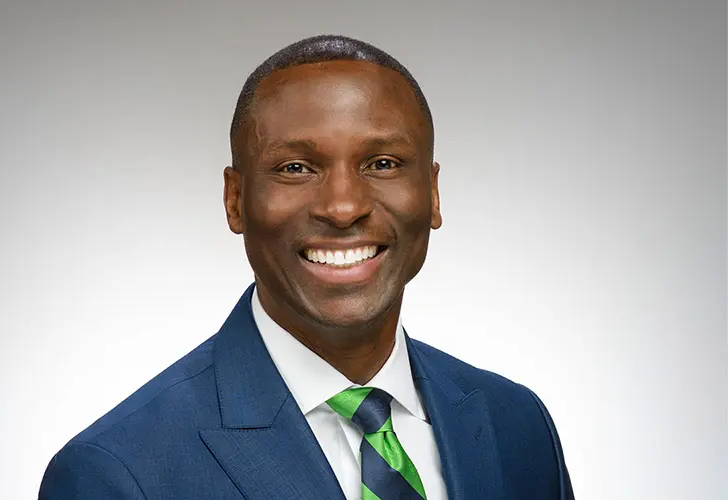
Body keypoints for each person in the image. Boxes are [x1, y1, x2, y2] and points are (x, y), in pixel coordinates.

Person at [39, 34, 575, 500]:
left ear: (432, 193)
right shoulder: (117, 473)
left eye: (382, 163)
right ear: (235, 199)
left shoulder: (517, 425)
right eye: (296, 167)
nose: (343, 207)